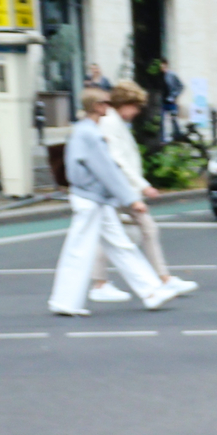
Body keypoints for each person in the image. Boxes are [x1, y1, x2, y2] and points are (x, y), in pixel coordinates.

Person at [49, 89, 177, 316]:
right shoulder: (89, 134)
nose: (109, 106)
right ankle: (65, 301)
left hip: (94, 198)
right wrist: (131, 199)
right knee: (80, 250)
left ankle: (151, 291)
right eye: (106, 103)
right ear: (97, 106)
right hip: (91, 198)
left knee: (119, 246)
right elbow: (106, 170)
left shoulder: (83, 131)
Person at [88, 81, 193, 302]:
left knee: (131, 232)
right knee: (131, 231)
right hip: (117, 190)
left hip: (120, 189)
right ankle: (104, 283)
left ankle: (106, 282)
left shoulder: (115, 123)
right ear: (124, 104)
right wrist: (141, 186)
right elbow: (118, 161)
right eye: (135, 107)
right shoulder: (109, 123)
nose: (136, 112)